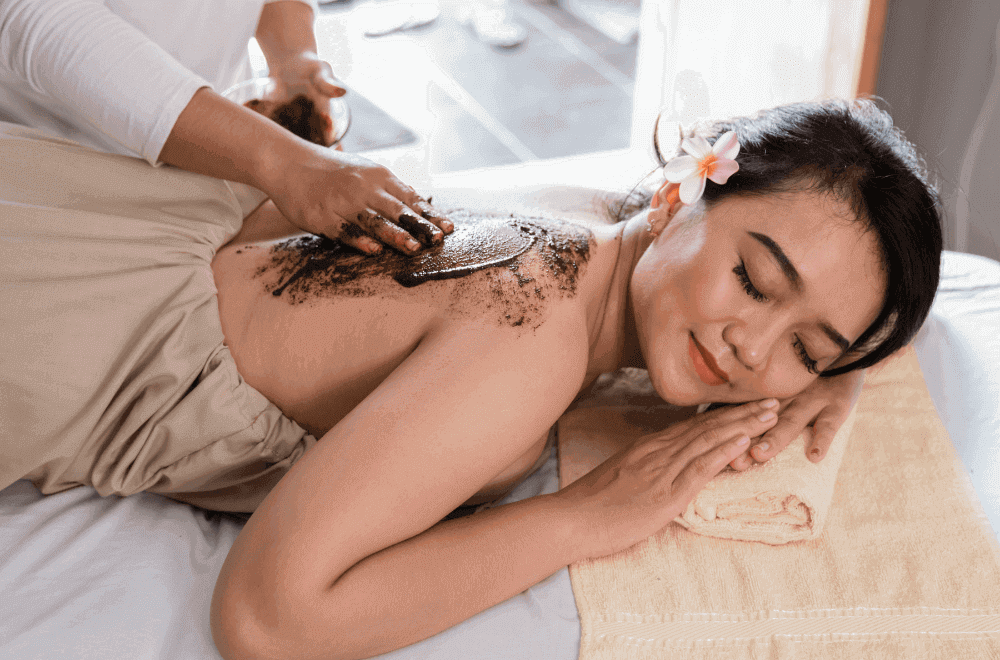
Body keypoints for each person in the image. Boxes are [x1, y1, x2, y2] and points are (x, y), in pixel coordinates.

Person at [0, 98, 941, 658]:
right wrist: (593, 515)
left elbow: (824, 242)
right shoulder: (527, 350)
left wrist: (841, 372)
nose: (752, 347)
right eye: (755, 280)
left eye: (808, 347)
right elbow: (264, 616)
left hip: (93, 232)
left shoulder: (585, 219)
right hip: (56, 334)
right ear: (675, 198)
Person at [0, 0, 451, 254]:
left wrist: (291, 53)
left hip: (216, 147)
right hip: (72, 185)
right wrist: (287, 164)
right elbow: (35, 16)